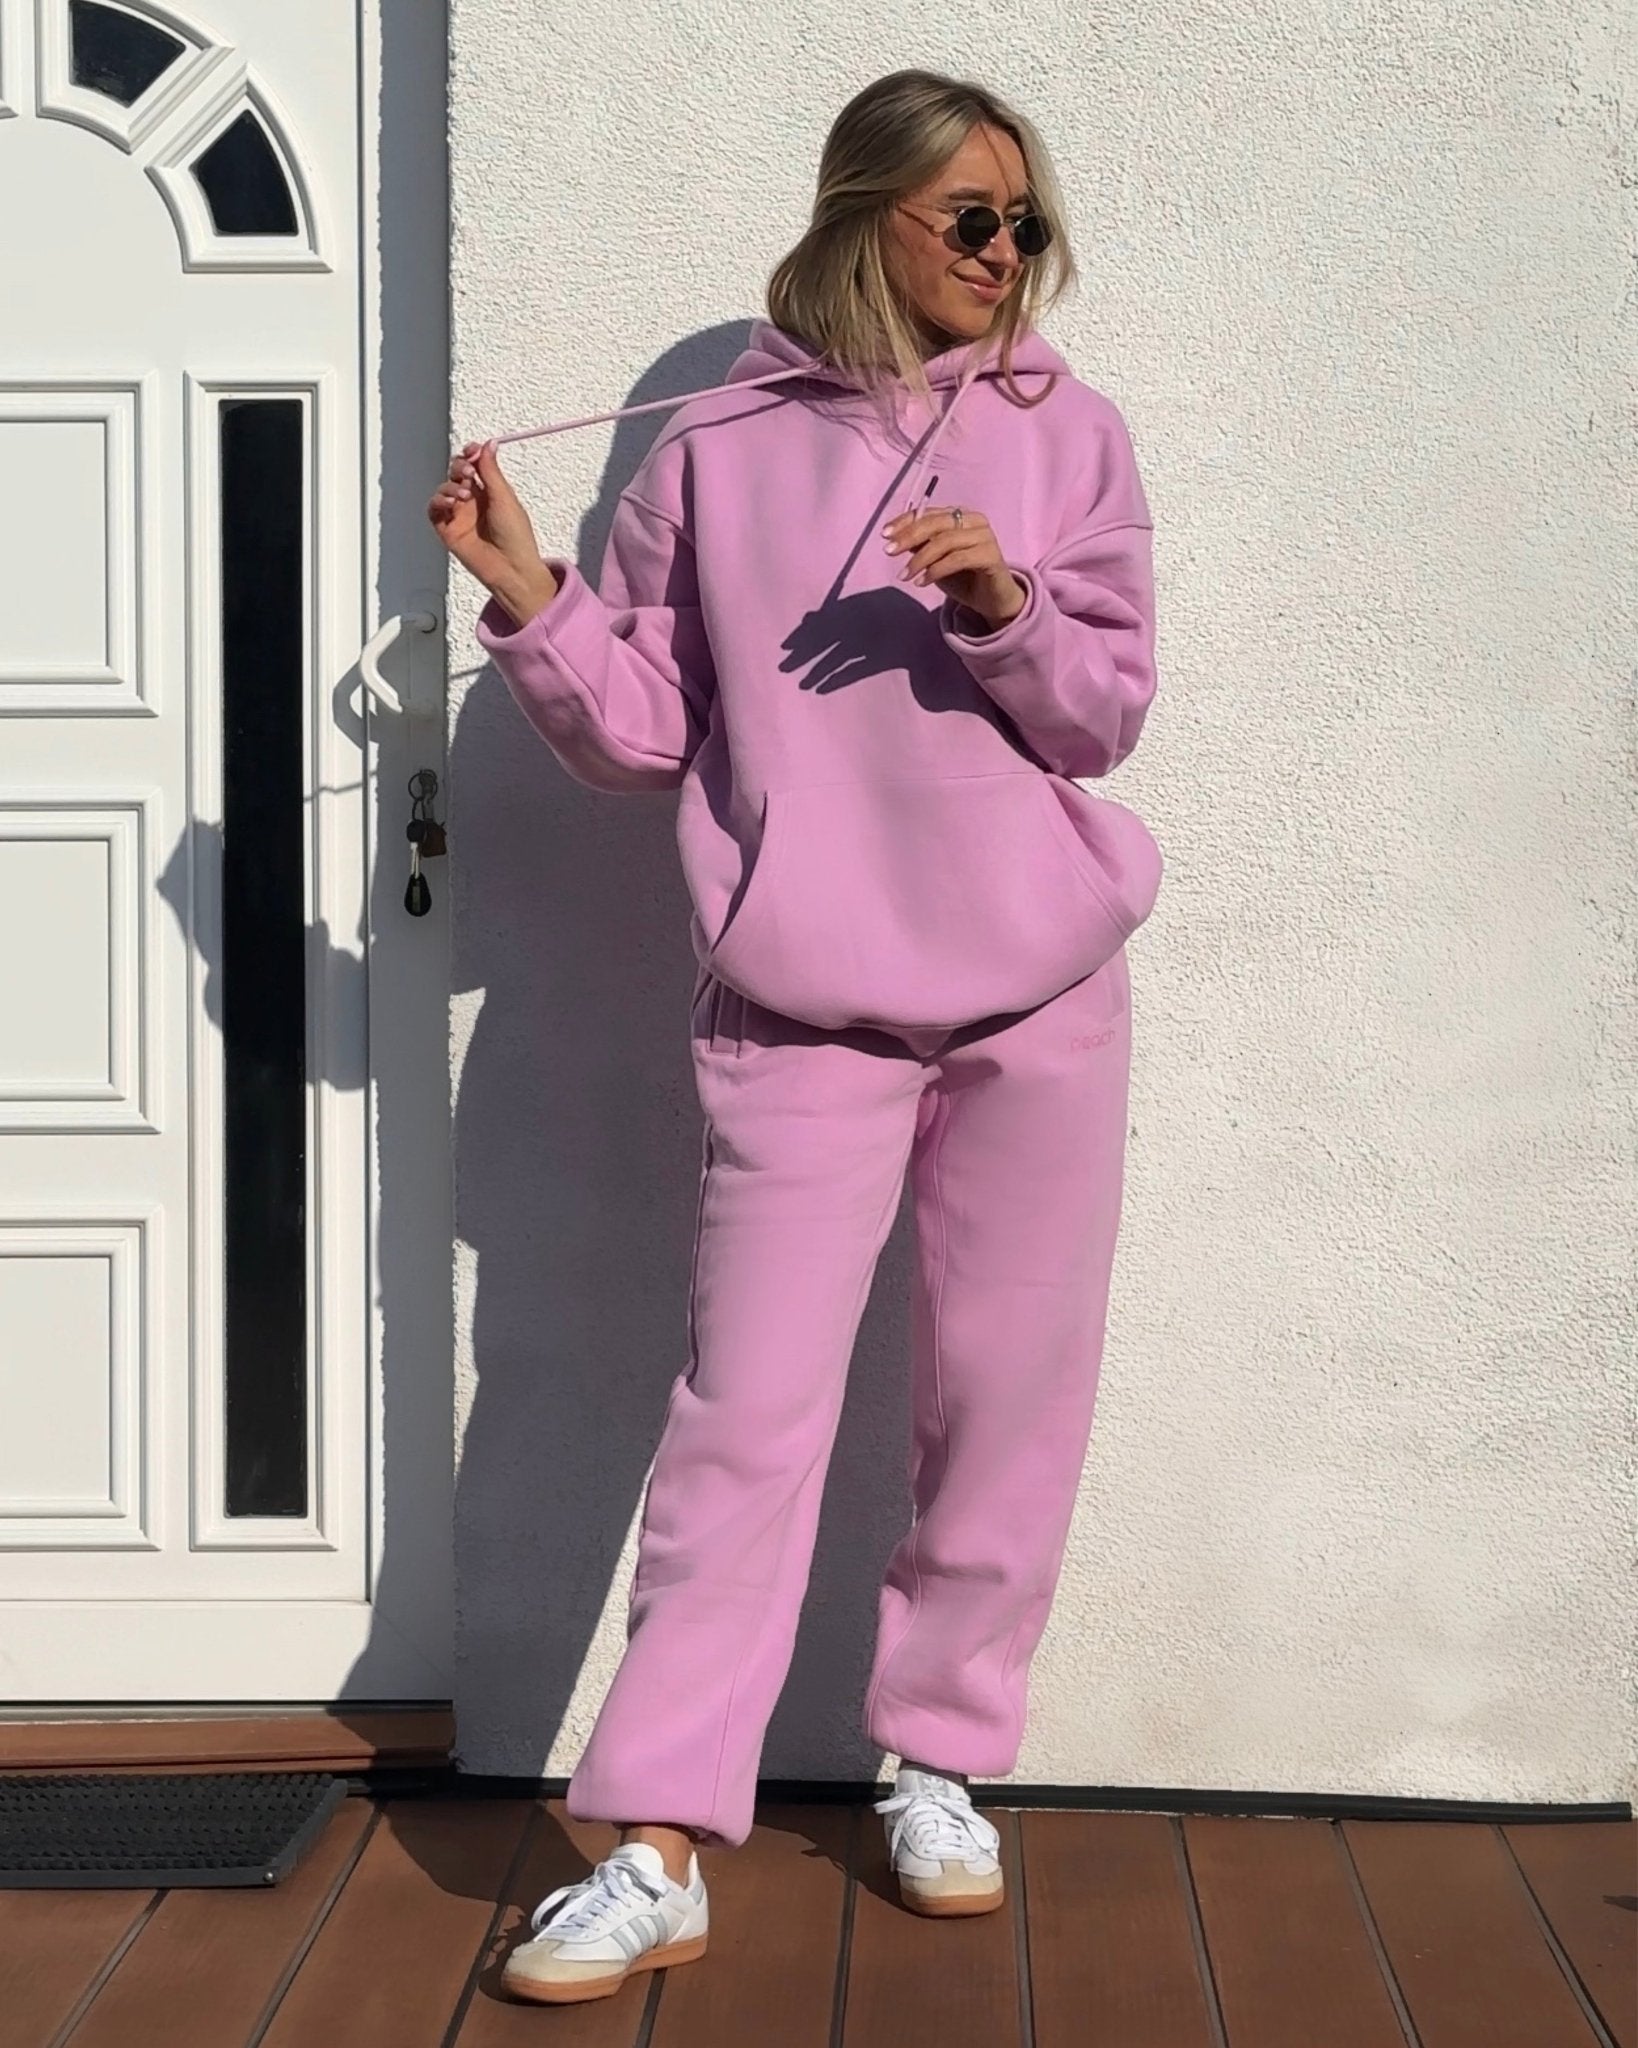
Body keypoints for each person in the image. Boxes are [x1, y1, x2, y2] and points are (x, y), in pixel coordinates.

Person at [429, 66, 1160, 2009]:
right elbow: (647, 730)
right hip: (801, 1007)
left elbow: (1103, 713)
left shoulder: (1070, 434)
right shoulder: (719, 446)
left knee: (1002, 1400)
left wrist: (1003, 604)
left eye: (1026, 220)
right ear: (867, 217)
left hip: (1035, 998)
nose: (1007, 252)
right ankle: (658, 1841)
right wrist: (531, 595)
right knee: (741, 1422)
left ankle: (940, 1761)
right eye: (970, 217)